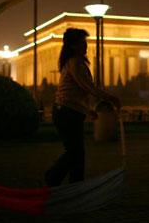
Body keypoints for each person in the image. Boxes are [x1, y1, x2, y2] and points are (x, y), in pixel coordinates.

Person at [45, 28, 121, 187]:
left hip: (68, 111)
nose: (85, 45)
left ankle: (75, 187)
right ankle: (52, 178)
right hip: (66, 113)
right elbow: (89, 88)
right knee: (74, 153)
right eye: (82, 42)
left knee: (77, 154)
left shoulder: (73, 62)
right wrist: (112, 98)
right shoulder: (76, 63)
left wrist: (87, 110)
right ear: (73, 46)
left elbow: (76, 93)